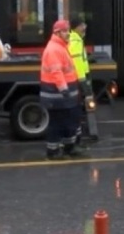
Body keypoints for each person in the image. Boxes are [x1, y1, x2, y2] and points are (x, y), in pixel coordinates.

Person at [40, 19, 85, 160]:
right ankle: (53, 152)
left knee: (68, 121)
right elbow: (56, 72)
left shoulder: (61, 46)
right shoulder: (54, 49)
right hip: (57, 95)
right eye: (64, 31)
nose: (67, 33)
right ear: (57, 32)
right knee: (57, 123)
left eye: (68, 30)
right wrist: (64, 89)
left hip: (63, 95)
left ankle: (68, 148)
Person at [68, 17, 93, 143]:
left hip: (79, 79)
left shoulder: (77, 40)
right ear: (76, 27)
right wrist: (84, 82)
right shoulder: (75, 42)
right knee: (76, 110)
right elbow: (77, 64)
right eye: (82, 25)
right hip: (78, 80)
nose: (85, 27)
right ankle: (76, 140)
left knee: (77, 109)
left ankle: (77, 137)